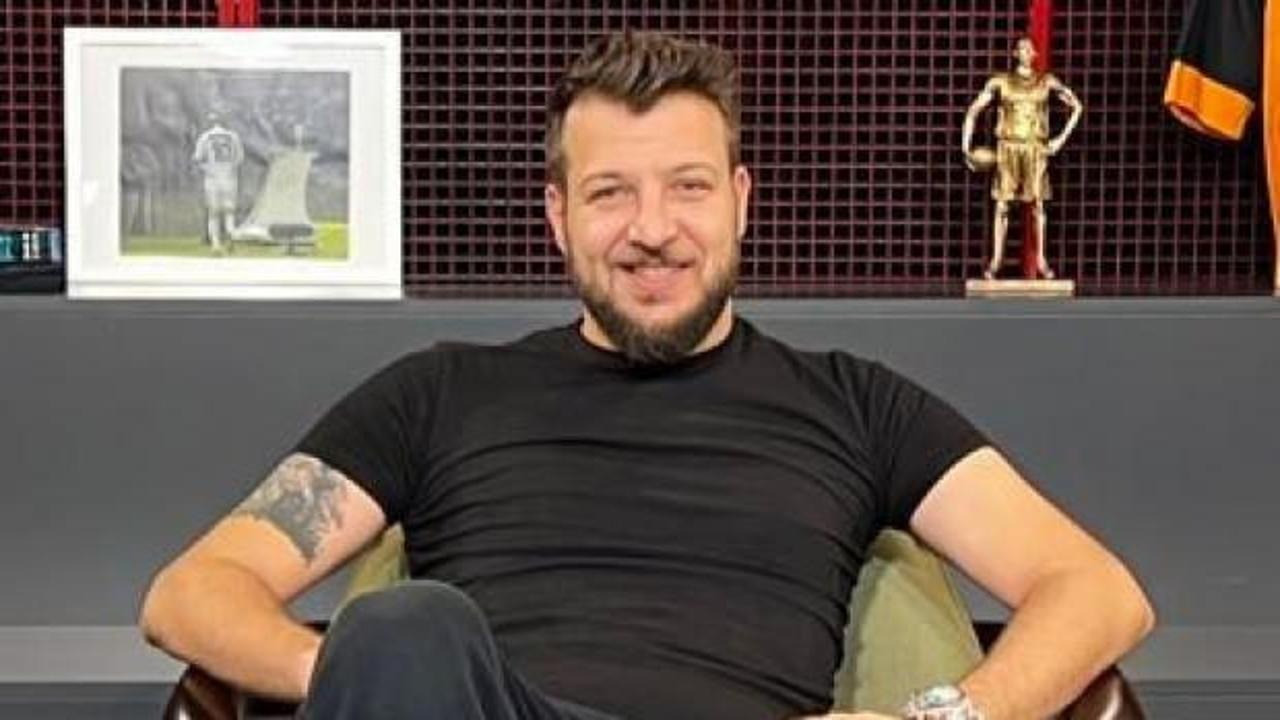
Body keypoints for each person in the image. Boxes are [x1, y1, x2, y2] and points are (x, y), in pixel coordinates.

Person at [141, 32, 1153, 720]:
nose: (652, 229)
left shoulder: (857, 405)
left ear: (740, 200)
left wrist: (945, 717)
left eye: (688, 188)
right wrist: (353, 675)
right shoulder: (438, 394)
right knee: (405, 627)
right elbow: (192, 593)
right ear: (559, 217)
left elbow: (1096, 590)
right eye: (610, 194)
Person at [962, 37, 1082, 281]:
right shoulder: (1001, 81)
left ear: (1035, 54)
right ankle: (996, 260)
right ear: (1015, 53)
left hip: (1035, 148)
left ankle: (1041, 259)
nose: (1026, 52)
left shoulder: (1046, 81)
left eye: (1030, 48)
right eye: (1022, 48)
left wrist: (1059, 140)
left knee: (1038, 204)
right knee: (1002, 204)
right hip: (1008, 147)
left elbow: (1077, 106)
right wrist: (966, 147)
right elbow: (973, 111)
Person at [191, 110, 245, 253]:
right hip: (230, 179)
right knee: (229, 212)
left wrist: (206, 168)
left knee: (213, 214)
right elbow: (239, 159)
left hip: (212, 179)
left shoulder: (205, 137)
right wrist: (230, 168)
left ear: (211, 122)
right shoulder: (233, 137)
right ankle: (231, 235)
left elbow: (197, 158)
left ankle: (215, 244)